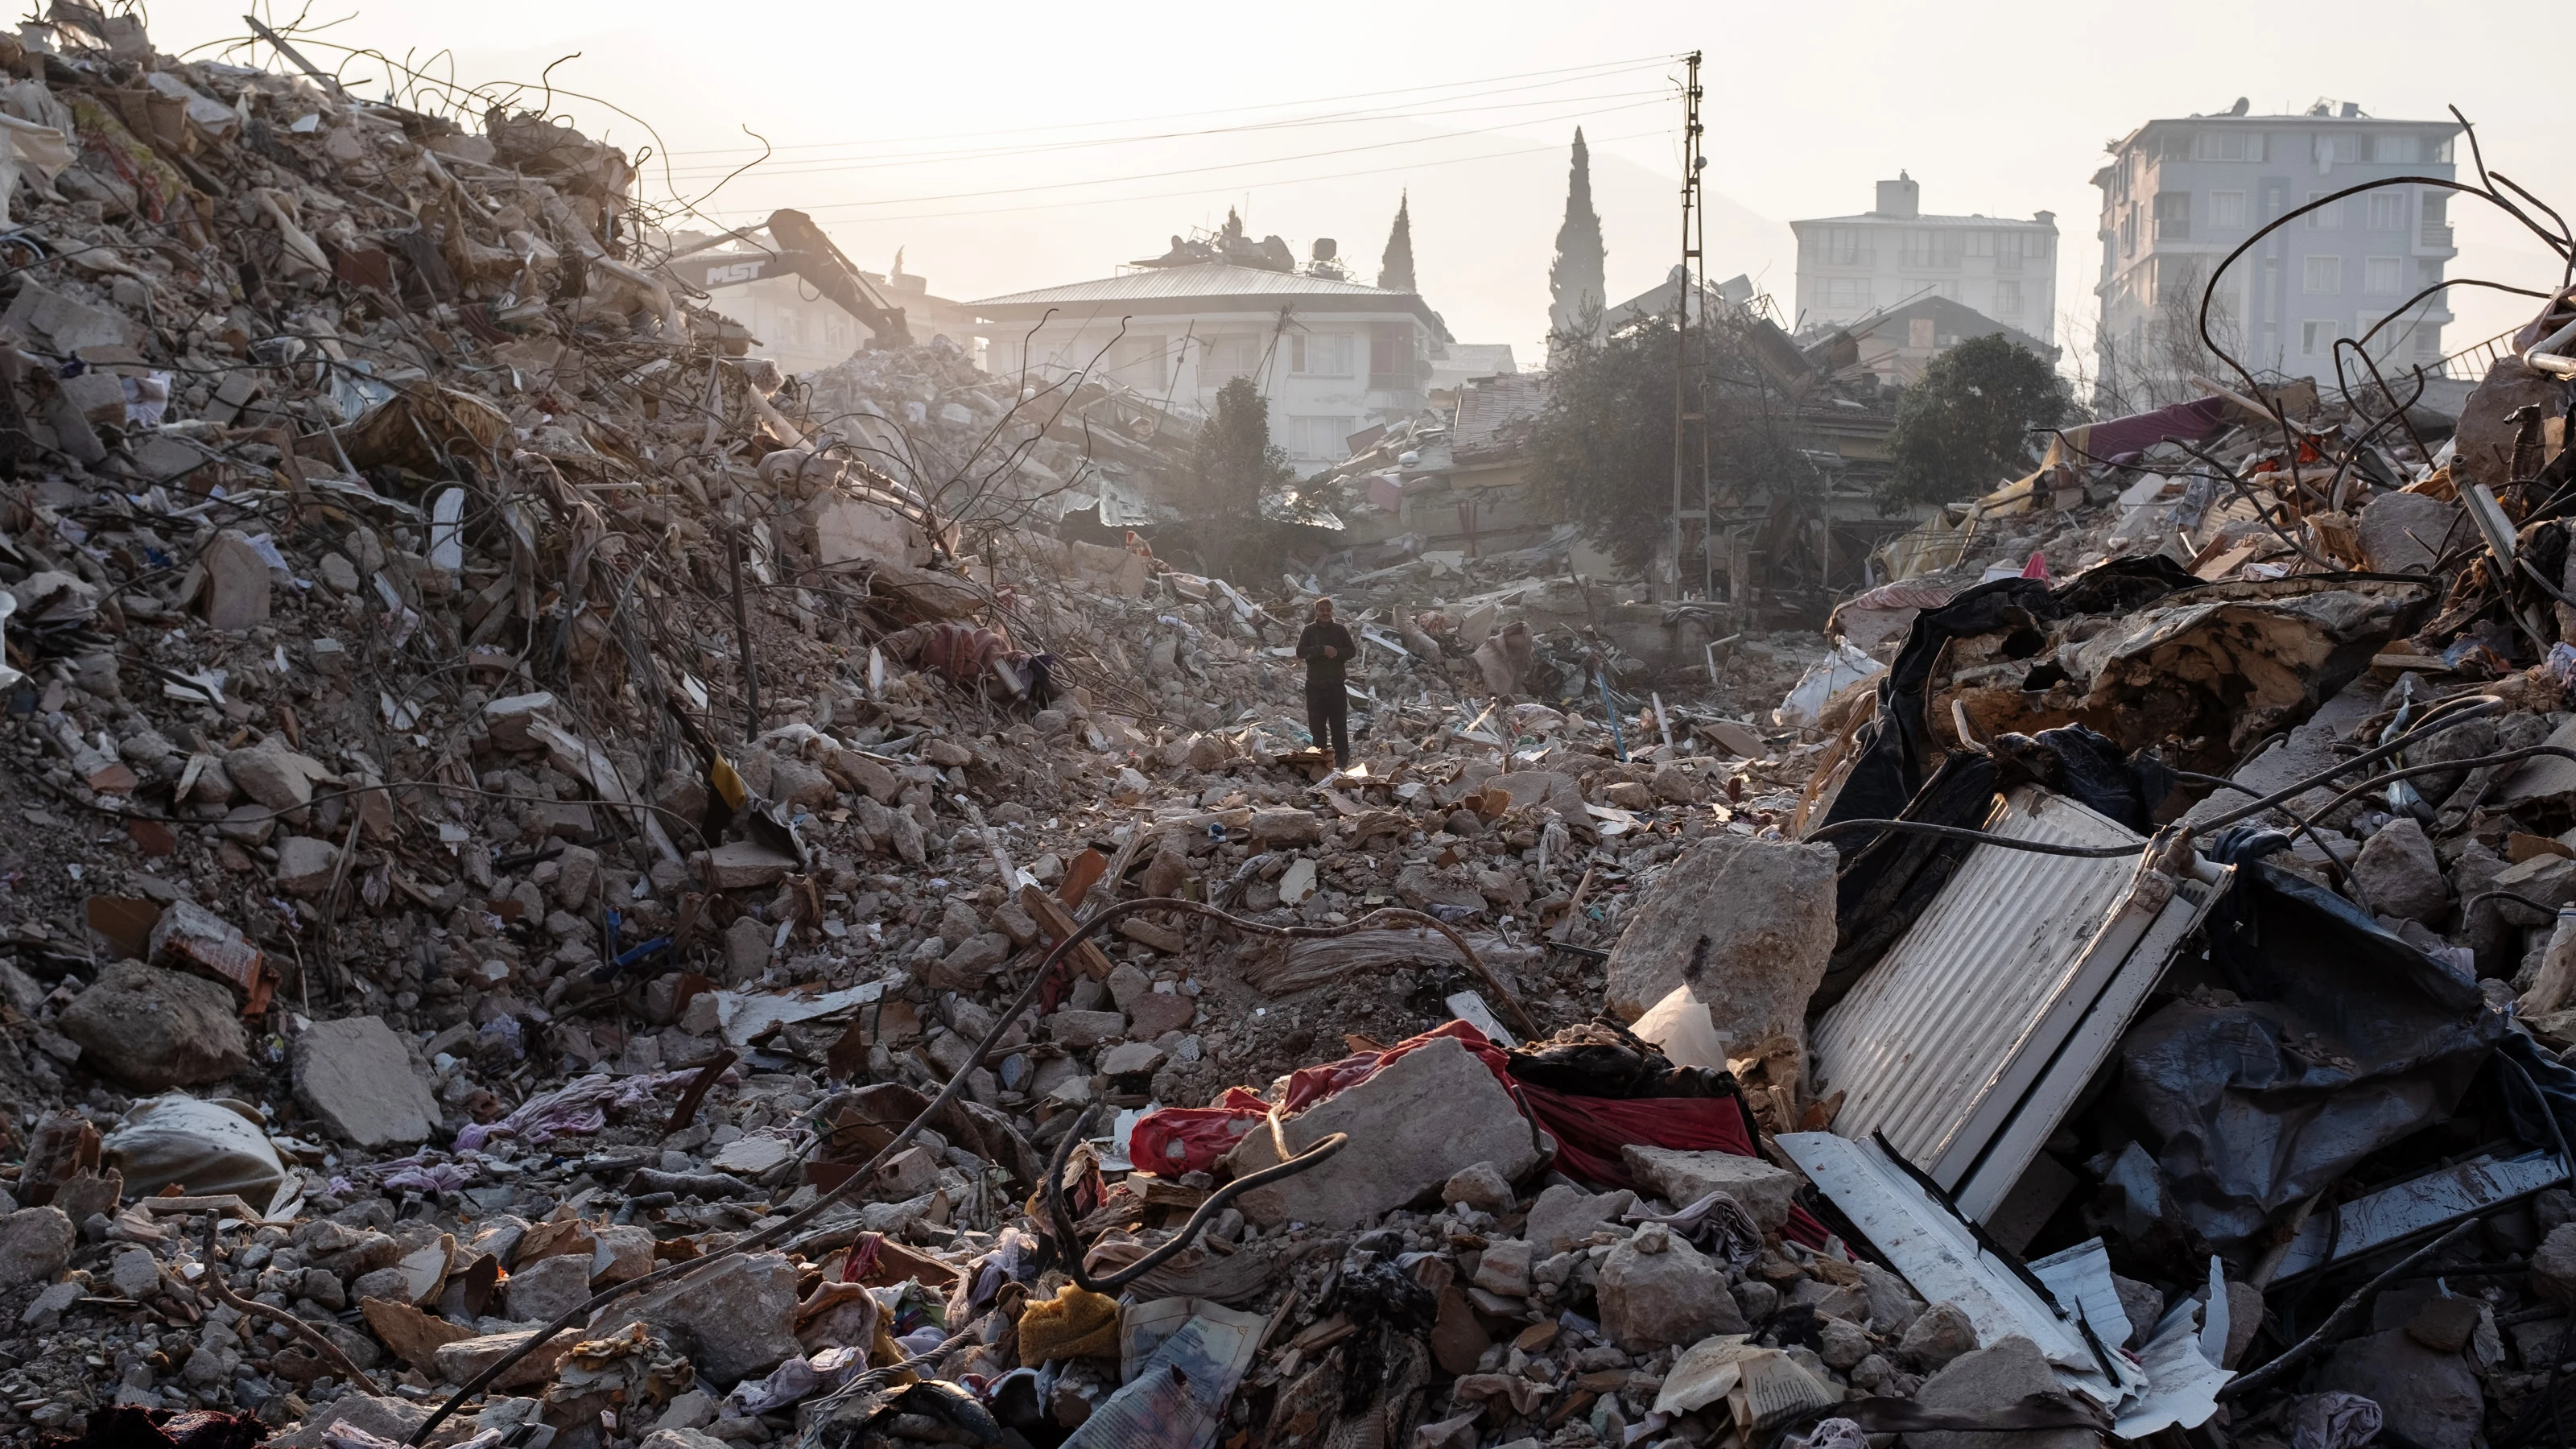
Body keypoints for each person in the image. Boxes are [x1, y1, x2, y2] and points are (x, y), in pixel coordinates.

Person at [1295, 597, 1356, 764]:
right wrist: (1322, 650)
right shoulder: (1309, 631)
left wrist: (1336, 653)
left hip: (1336, 686)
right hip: (1315, 687)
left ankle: (1342, 760)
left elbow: (1352, 651)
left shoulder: (1340, 630)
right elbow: (1300, 652)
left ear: (1332, 611)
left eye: (1329, 610)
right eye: (1322, 610)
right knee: (1317, 726)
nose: (1326, 613)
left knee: (1339, 726)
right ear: (1316, 611)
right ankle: (1320, 760)